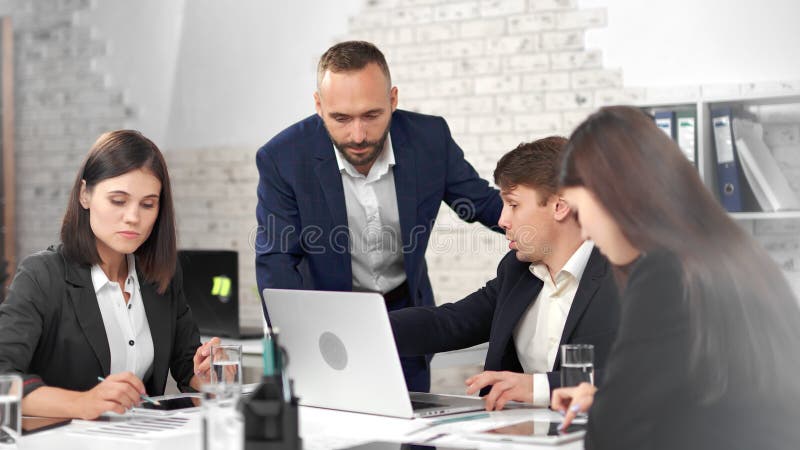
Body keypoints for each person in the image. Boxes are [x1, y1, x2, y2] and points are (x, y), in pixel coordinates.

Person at [255, 41, 502, 392]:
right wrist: (299, 342)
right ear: (318, 106)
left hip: (406, 321)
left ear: (393, 100)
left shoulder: (430, 139)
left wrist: (553, 229)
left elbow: (485, 205)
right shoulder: (283, 159)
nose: (358, 135)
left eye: (372, 115)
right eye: (340, 118)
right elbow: (277, 263)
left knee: (413, 436)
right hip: (327, 326)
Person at [553, 106, 800, 449]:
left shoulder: (664, 273)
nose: (584, 232)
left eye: (579, 212)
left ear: (611, 191)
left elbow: (610, 435)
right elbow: (711, 388)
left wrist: (610, 407)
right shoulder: (737, 254)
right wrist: (610, 397)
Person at [0, 130, 220, 420]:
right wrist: (82, 403)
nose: (133, 217)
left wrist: (209, 375)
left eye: (148, 204)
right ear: (85, 195)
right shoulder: (42, 276)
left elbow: (186, 362)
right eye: (118, 200)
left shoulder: (160, 275)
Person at [390, 137, 620, 410]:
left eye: (513, 205)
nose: (502, 220)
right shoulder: (517, 271)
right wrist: (373, 326)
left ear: (560, 206)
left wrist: (538, 387)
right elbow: (450, 323)